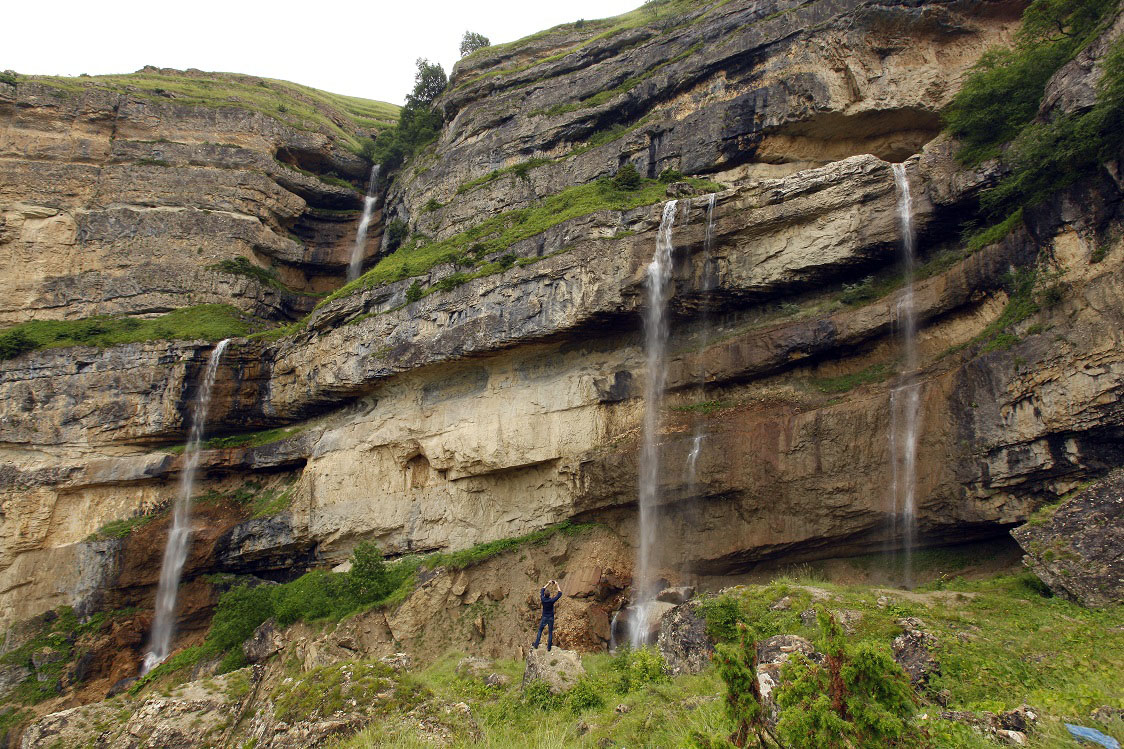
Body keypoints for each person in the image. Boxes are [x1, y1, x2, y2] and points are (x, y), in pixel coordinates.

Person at [532, 579, 563, 651]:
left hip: (544, 617)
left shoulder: (543, 599)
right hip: (551, 617)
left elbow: (542, 589)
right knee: (550, 632)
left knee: (540, 630)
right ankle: (549, 647)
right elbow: (560, 594)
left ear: (544, 595)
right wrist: (557, 584)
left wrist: (548, 583)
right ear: (549, 595)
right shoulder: (551, 600)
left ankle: (536, 644)